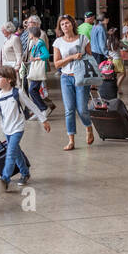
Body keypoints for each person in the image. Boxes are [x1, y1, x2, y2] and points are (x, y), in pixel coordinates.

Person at [0, 64, 49, 190]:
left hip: (18, 128)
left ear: (9, 79)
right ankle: (25, 173)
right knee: (16, 152)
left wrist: (43, 120)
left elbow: (32, 106)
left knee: (10, 153)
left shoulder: (18, 93)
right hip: (6, 129)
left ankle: (5, 178)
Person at [52, 14, 94, 151]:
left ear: (72, 24)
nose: (65, 26)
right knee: (69, 110)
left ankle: (88, 127)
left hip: (81, 77)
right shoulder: (58, 42)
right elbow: (57, 64)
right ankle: (71, 140)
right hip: (66, 78)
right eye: (62, 24)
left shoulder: (83, 38)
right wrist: (71, 57)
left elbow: (90, 58)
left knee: (82, 109)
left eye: (67, 23)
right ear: (60, 27)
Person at [23, 25, 54, 115]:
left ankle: (43, 108)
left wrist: (36, 59)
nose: (28, 35)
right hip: (35, 69)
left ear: (32, 34)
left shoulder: (40, 43)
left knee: (32, 90)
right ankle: (42, 108)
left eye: (29, 33)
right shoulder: (35, 43)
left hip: (38, 70)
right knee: (34, 90)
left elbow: (46, 55)